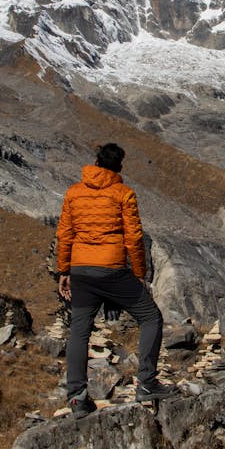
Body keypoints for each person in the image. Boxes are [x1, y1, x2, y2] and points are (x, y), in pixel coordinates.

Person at [56, 143, 175, 418]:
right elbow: (134, 237)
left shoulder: (74, 192)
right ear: (119, 167)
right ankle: (146, 382)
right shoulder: (123, 194)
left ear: (96, 162)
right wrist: (140, 274)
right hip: (111, 269)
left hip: (81, 270)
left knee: (79, 331)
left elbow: (65, 233)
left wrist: (64, 271)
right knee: (150, 317)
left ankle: (77, 397)